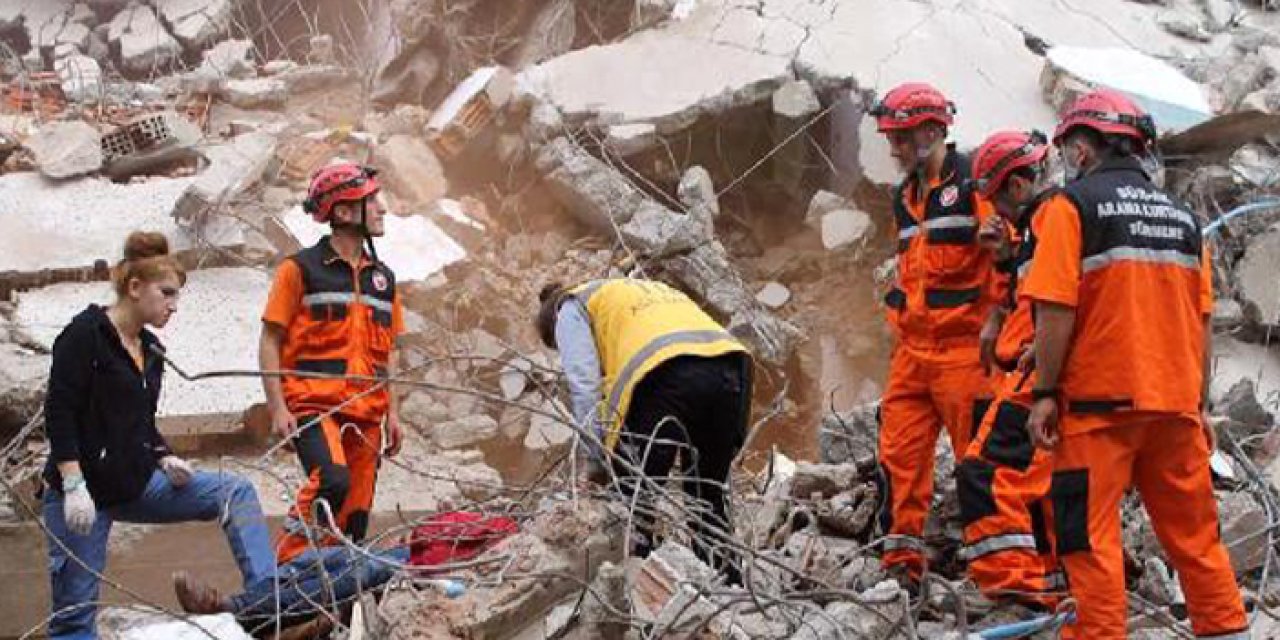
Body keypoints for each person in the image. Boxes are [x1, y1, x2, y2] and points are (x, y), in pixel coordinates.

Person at [1021, 88, 1248, 638]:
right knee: (1196, 541)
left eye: (1068, 149)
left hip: (1099, 411)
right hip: (1174, 408)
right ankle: (1228, 630)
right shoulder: (1185, 220)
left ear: (1082, 150)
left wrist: (1045, 391)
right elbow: (1202, 325)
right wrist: (1199, 406)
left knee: (1090, 543)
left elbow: (1055, 307)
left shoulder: (1069, 208)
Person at [42, 231, 276, 640]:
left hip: (135, 482)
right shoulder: (85, 335)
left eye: (176, 296)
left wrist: (163, 455)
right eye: (166, 293)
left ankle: (272, 603)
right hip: (83, 496)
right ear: (135, 287)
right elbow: (60, 412)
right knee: (75, 619)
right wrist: (72, 480)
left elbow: (139, 421)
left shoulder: (150, 349)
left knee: (234, 492)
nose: (174, 305)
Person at [870, 82, 1002, 588]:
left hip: (967, 354)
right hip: (913, 354)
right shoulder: (904, 199)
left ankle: (1001, 576)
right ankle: (901, 567)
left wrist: (999, 327)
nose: (894, 148)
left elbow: (1005, 258)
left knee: (981, 467)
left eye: (901, 137)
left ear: (932, 130)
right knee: (898, 457)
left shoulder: (975, 183)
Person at [535, 278, 752, 574]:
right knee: (707, 497)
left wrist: (596, 462)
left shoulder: (570, 307)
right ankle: (726, 589)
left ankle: (639, 587)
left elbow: (585, 387)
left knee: (634, 499)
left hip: (663, 375)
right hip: (730, 368)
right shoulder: (633, 290)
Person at [261, 162, 406, 564]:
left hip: (368, 416)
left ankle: (329, 603)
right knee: (332, 481)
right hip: (313, 406)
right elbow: (270, 339)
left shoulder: (384, 279)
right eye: (372, 200)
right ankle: (283, 573)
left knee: (355, 514)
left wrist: (393, 413)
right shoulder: (299, 270)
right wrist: (277, 407)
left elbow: (389, 351)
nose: (382, 208)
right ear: (343, 212)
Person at [955, 130, 1063, 614]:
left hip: (1035, 377)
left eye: (1000, 195)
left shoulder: (1054, 219)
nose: (997, 210)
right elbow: (1026, 295)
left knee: (984, 474)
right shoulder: (1037, 230)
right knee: (1040, 492)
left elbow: (1058, 300)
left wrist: (1042, 366)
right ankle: (1054, 586)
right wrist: (1003, 263)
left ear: (1019, 185)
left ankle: (1018, 593)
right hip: (1032, 371)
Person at [174, 545, 409, 637]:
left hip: (425, 564)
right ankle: (256, 610)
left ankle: (237, 609)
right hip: (416, 549)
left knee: (364, 570)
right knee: (325, 558)